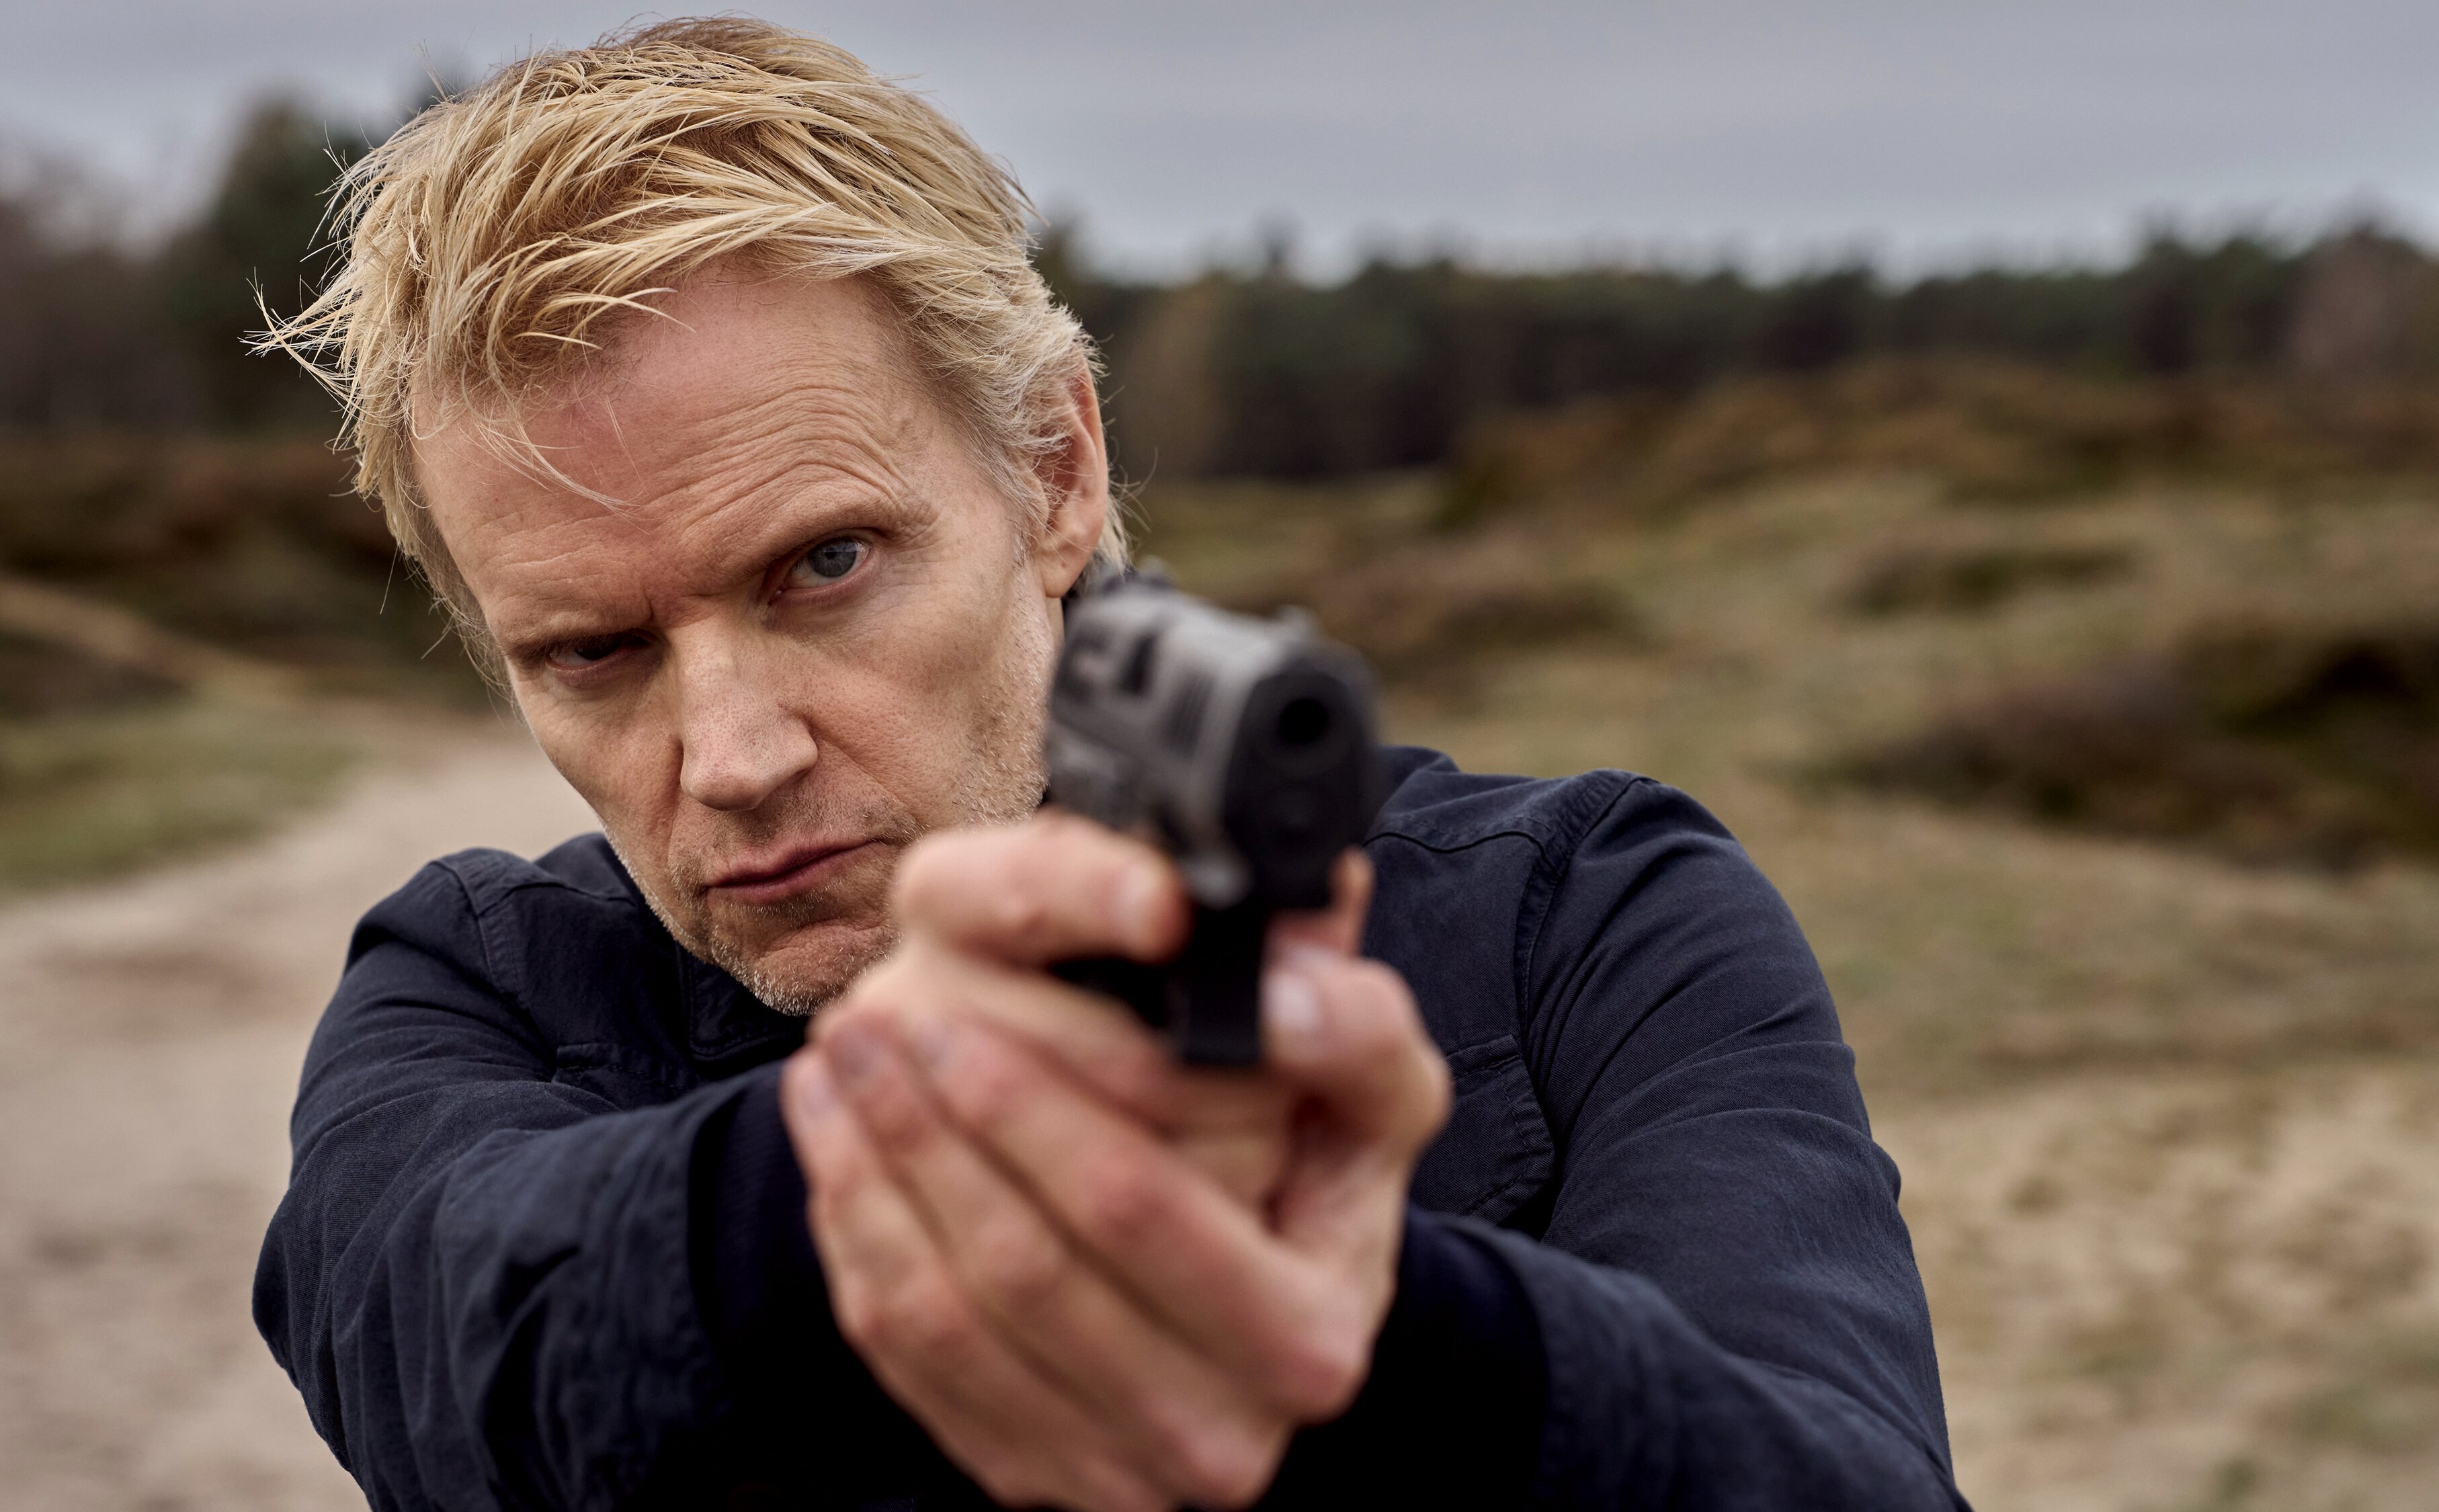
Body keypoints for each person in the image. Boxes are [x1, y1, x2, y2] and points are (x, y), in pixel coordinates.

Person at [251, 17, 1964, 1511]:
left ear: (1054, 470)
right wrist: (858, 1192)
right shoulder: (478, 987)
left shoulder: (1583, 922)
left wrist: (1393, 1346)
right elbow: (434, 1347)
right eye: (592, 653)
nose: (737, 760)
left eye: (824, 565)